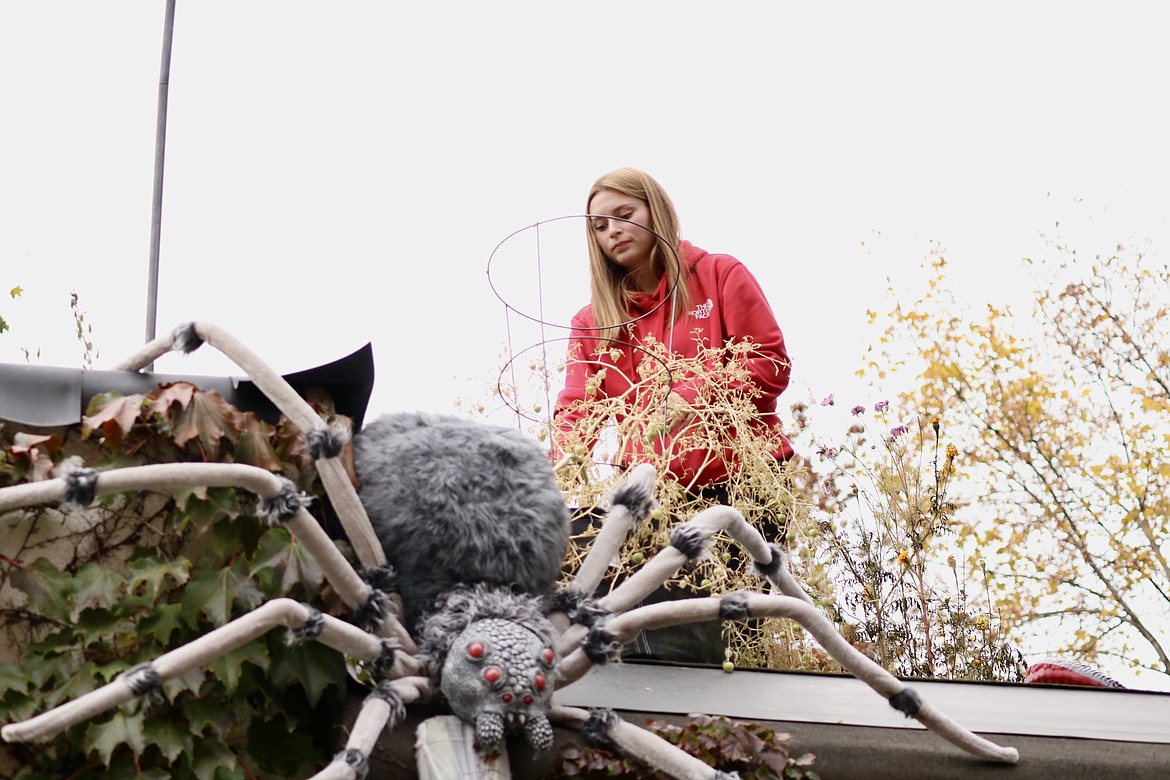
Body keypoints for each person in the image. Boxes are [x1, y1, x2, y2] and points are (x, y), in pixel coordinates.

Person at [553, 167, 793, 663]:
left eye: (624, 215)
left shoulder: (720, 275)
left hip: (741, 485)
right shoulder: (593, 322)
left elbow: (770, 363)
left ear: (655, 211)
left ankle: (744, 729)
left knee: (733, 639)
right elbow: (578, 408)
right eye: (599, 227)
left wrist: (691, 394)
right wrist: (557, 469)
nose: (613, 231)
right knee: (664, 643)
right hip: (656, 502)